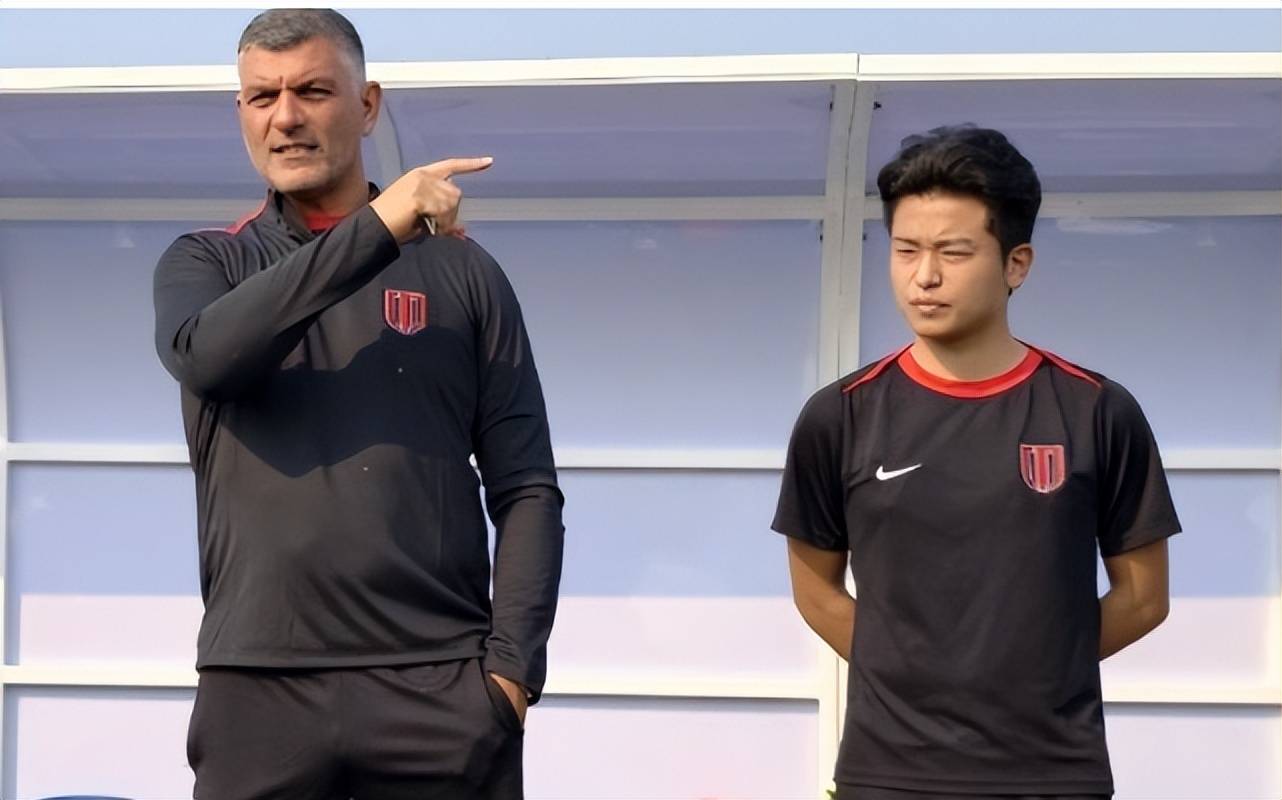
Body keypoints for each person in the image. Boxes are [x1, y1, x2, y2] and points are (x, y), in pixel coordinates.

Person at [152, 9, 563, 799]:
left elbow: (527, 488)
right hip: (256, 691)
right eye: (262, 96)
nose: (285, 117)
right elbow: (211, 359)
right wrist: (379, 225)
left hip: (440, 692)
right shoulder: (207, 262)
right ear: (241, 113)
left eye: (312, 91)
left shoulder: (464, 274)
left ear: (368, 105)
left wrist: (509, 676)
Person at [773, 125, 1179, 800]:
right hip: (888, 774)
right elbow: (816, 589)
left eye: (953, 252)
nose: (924, 276)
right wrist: (914, 678)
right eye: (906, 250)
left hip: (1054, 774)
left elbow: (1144, 599)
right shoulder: (838, 416)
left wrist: (1032, 677)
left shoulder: (1097, 411)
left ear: (1017, 264)